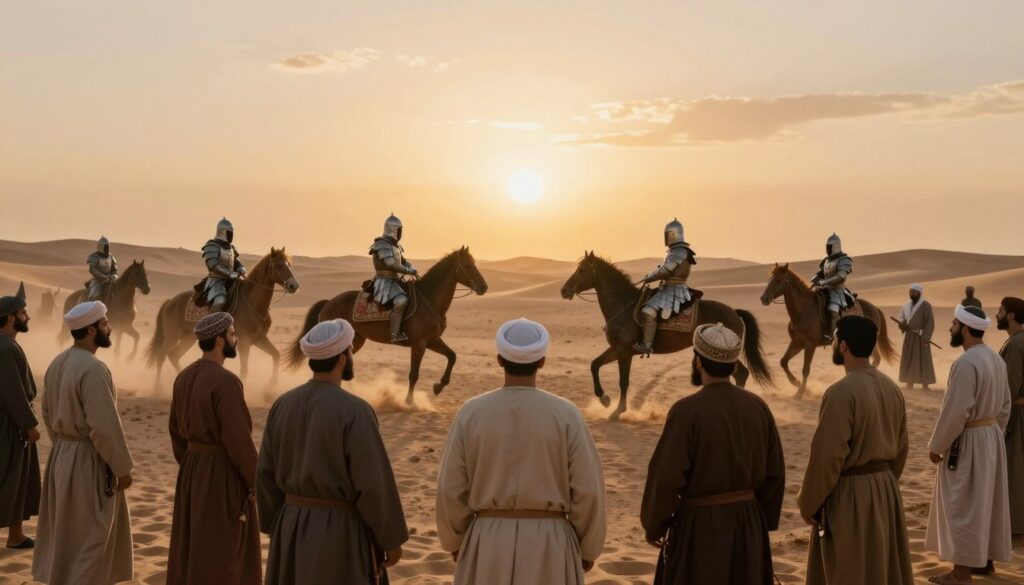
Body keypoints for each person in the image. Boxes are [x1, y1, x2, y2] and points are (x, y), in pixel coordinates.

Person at [436, 318, 606, 585]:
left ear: (500, 359)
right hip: (551, 545)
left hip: (487, 543)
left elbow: (450, 489)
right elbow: (588, 491)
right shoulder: (566, 414)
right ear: (542, 361)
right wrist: (588, 547)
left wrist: (456, 541)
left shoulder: (471, 413)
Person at [258, 319, 408, 584]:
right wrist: (390, 539)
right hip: (340, 535)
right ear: (341, 358)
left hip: (290, 528)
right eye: (350, 351)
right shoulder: (355, 411)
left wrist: (278, 525)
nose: (351, 357)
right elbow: (373, 485)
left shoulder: (282, 405)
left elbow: (265, 475)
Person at [641, 322, 784, 584]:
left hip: (700, 528)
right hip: (748, 524)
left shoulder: (686, 411)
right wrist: (760, 521)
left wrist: (655, 523)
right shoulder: (758, 407)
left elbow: (666, 476)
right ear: (732, 365)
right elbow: (774, 473)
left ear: (698, 362)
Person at [798, 315, 913, 584]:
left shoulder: (840, 393)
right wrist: (883, 484)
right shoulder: (892, 388)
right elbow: (902, 448)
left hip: (851, 495)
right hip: (885, 490)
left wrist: (809, 504)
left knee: (850, 569)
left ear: (843, 346)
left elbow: (827, 458)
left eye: (836, 338)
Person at [33, 301, 135, 585]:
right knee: (93, 536)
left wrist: (65, 446)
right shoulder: (93, 369)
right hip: (89, 461)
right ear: (91, 329)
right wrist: (122, 469)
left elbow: (47, 414)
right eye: (104, 324)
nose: (109, 328)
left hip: (62, 456)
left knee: (68, 536)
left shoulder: (57, 363)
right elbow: (104, 427)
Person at [167, 312, 260, 585]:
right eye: (232, 334)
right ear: (219, 340)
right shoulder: (226, 382)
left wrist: (192, 465)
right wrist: (254, 482)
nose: (236, 339)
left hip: (192, 470)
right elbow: (238, 440)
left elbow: (175, 432)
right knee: (225, 550)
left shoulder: (183, 376)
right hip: (221, 473)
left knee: (195, 543)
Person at [925, 305, 1012, 584]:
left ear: (964, 329)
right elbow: (1005, 407)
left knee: (962, 505)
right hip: (990, 439)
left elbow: (956, 411)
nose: (949, 328)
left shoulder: (965, 363)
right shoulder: (995, 359)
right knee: (983, 502)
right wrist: (993, 435)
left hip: (970, 441)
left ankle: (961, 574)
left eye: (953, 324)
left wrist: (937, 446)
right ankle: (984, 563)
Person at [0, 282, 40, 549]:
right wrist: (29, 424)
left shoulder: (8, 345)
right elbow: (12, 392)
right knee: (8, 476)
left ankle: (16, 536)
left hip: (12, 424)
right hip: (8, 425)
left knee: (19, 478)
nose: (27, 317)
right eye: (23, 312)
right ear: (11, 316)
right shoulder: (4, 348)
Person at [633, 218, 697, 354]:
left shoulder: (678, 251)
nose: (666, 238)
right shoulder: (677, 250)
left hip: (673, 290)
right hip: (669, 287)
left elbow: (665, 271)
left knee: (647, 311)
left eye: (667, 234)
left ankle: (647, 344)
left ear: (673, 234)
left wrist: (649, 277)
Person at [996, 296, 1024, 544]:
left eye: (1001, 310)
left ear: (1012, 315)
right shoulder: (1015, 341)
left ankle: (1017, 531)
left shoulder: (1016, 345)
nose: (997, 314)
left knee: (1015, 470)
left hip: (1017, 414)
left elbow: (1010, 386)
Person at [368, 214, 418, 342]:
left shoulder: (396, 246)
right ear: (393, 230)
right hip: (384, 281)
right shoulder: (382, 244)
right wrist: (409, 271)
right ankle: (395, 334)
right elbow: (391, 264)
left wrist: (412, 268)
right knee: (402, 299)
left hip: (395, 280)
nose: (401, 233)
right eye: (399, 230)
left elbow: (404, 262)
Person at [810, 233, 854, 343]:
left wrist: (825, 281)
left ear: (836, 247)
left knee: (832, 308)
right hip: (824, 289)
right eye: (827, 246)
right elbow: (820, 273)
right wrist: (814, 279)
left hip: (837, 290)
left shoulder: (844, 260)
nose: (828, 249)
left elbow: (841, 275)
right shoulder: (826, 261)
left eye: (830, 247)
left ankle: (833, 336)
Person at [897, 283, 937, 390]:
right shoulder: (906, 305)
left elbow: (930, 323)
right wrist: (902, 324)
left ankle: (925, 384)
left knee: (923, 359)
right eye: (910, 292)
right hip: (909, 337)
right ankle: (909, 383)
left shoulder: (926, 305)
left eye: (914, 292)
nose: (911, 294)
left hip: (921, 337)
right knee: (909, 358)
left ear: (919, 293)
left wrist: (926, 337)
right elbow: (902, 319)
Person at [202, 218, 246, 313]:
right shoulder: (212, 246)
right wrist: (230, 274)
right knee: (220, 301)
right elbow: (213, 266)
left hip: (233, 280)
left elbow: (236, 262)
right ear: (223, 232)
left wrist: (241, 269)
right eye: (229, 233)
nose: (231, 235)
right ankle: (212, 324)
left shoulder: (231, 248)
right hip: (217, 280)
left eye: (231, 233)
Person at [85, 236, 118, 302]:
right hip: (97, 281)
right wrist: (104, 276)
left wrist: (113, 276)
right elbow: (92, 270)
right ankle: (90, 308)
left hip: (110, 280)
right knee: (94, 295)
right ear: (101, 246)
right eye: (105, 246)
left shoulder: (111, 257)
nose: (107, 248)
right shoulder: (94, 257)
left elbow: (114, 270)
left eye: (107, 246)